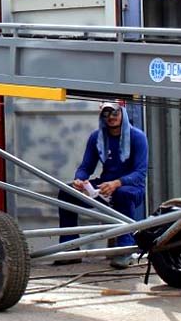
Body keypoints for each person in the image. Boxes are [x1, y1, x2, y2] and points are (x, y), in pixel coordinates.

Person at [56, 101, 148, 269]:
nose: (110, 118)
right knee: (67, 193)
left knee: (122, 194)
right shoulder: (96, 137)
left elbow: (140, 173)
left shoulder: (137, 137)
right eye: (106, 114)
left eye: (114, 113)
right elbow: (86, 167)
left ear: (123, 114)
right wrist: (79, 180)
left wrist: (117, 183)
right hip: (104, 186)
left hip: (131, 188)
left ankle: (125, 249)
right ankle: (70, 247)